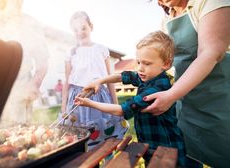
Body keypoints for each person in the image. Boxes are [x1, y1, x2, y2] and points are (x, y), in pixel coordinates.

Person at [75, 31, 188, 167]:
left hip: (167, 149)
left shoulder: (159, 87)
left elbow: (122, 110)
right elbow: (123, 76)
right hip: (150, 145)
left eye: (146, 63)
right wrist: (100, 80)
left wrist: (89, 103)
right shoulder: (146, 77)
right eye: (139, 62)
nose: (140, 68)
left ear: (166, 64)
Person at [141, 0, 230, 167]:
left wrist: (172, 95)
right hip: (187, 103)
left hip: (220, 101)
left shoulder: (209, 2)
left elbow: (211, 51)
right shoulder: (166, 21)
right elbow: (163, 60)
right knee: (188, 155)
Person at [59, 11, 129, 150]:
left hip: (99, 97)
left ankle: (107, 159)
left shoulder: (101, 49)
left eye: (83, 27)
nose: (80, 32)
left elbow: (110, 79)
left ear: (91, 26)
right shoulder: (71, 52)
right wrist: (63, 108)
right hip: (78, 99)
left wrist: (115, 104)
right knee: (80, 139)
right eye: (76, 30)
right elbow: (67, 81)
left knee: (106, 136)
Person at [0, 0, 49, 124]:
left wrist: (34, 84)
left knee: (18, 136)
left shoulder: (30, 24)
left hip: (21, 93)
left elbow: (43, 63)